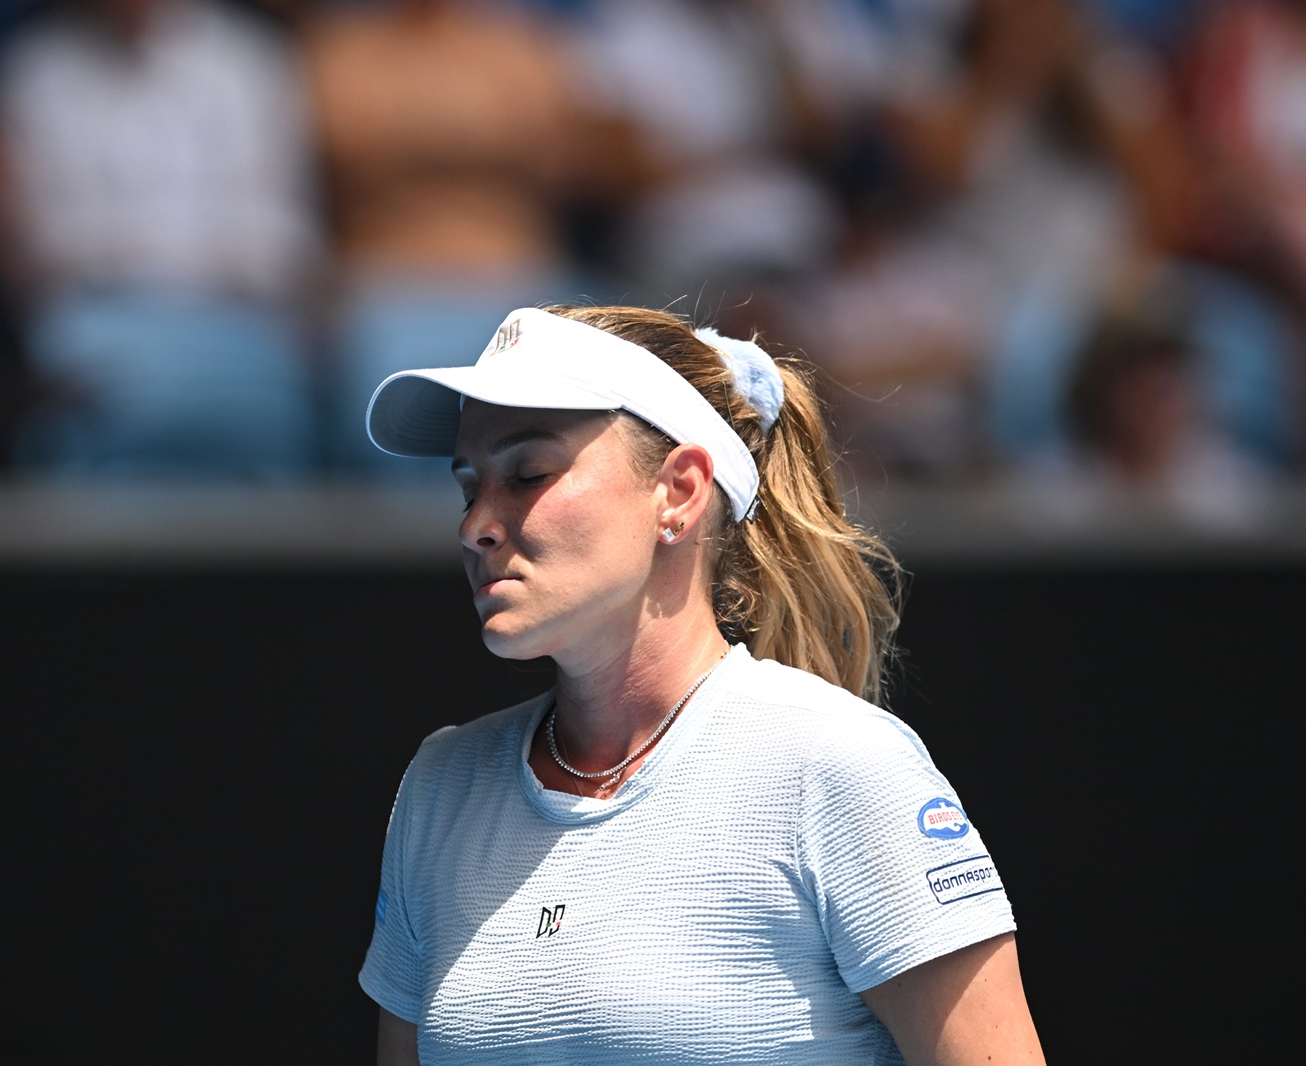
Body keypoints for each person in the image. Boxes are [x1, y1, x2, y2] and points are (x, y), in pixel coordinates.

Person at [358, 304, 1045, 1064]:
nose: (475, 526)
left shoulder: (839, 765)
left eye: (528, 475)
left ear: (679, 492)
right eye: (468, 488)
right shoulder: (439, 788)